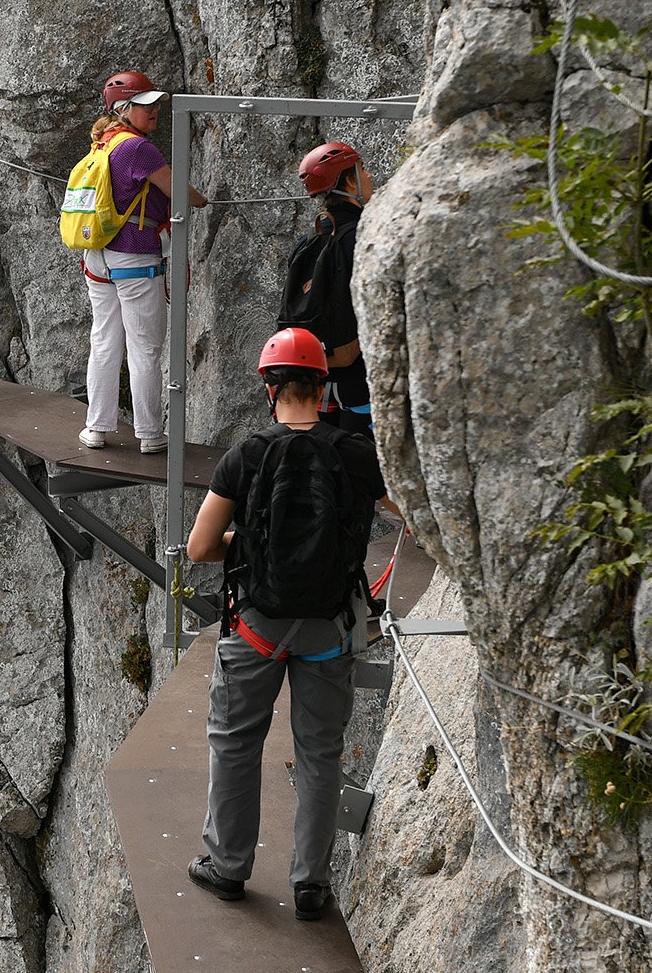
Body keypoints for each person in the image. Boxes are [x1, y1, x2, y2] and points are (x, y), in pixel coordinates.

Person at [184, 328, 385, 922]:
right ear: (322, 386)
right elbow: (408, 509)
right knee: (320, 752)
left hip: (257, 627)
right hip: (330, 627)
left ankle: (227, 868)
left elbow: (199, 548)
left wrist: (246, 544)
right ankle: (310, 885)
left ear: (270, 388)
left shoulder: (246, 455)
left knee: (235, 743)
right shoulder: (354, 452)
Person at [77, 70, 207, 453]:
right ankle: (150, 434)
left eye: (155, 104)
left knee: (103, 341)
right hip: (134, 257)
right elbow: (179, 192)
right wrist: (202, 201)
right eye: (144, 105)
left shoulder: (101, 143)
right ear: (123, 108)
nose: (154, 111)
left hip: (98, 256)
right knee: (145, 347)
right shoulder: (137, 148)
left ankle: (96, 429)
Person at [290, 142, 375, 436]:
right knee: (363, 472)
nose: (368, 175)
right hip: (360, 381)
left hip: (316, 377)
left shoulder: (309, 240)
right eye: (361, 170)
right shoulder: (365, 236)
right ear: (349, 181)